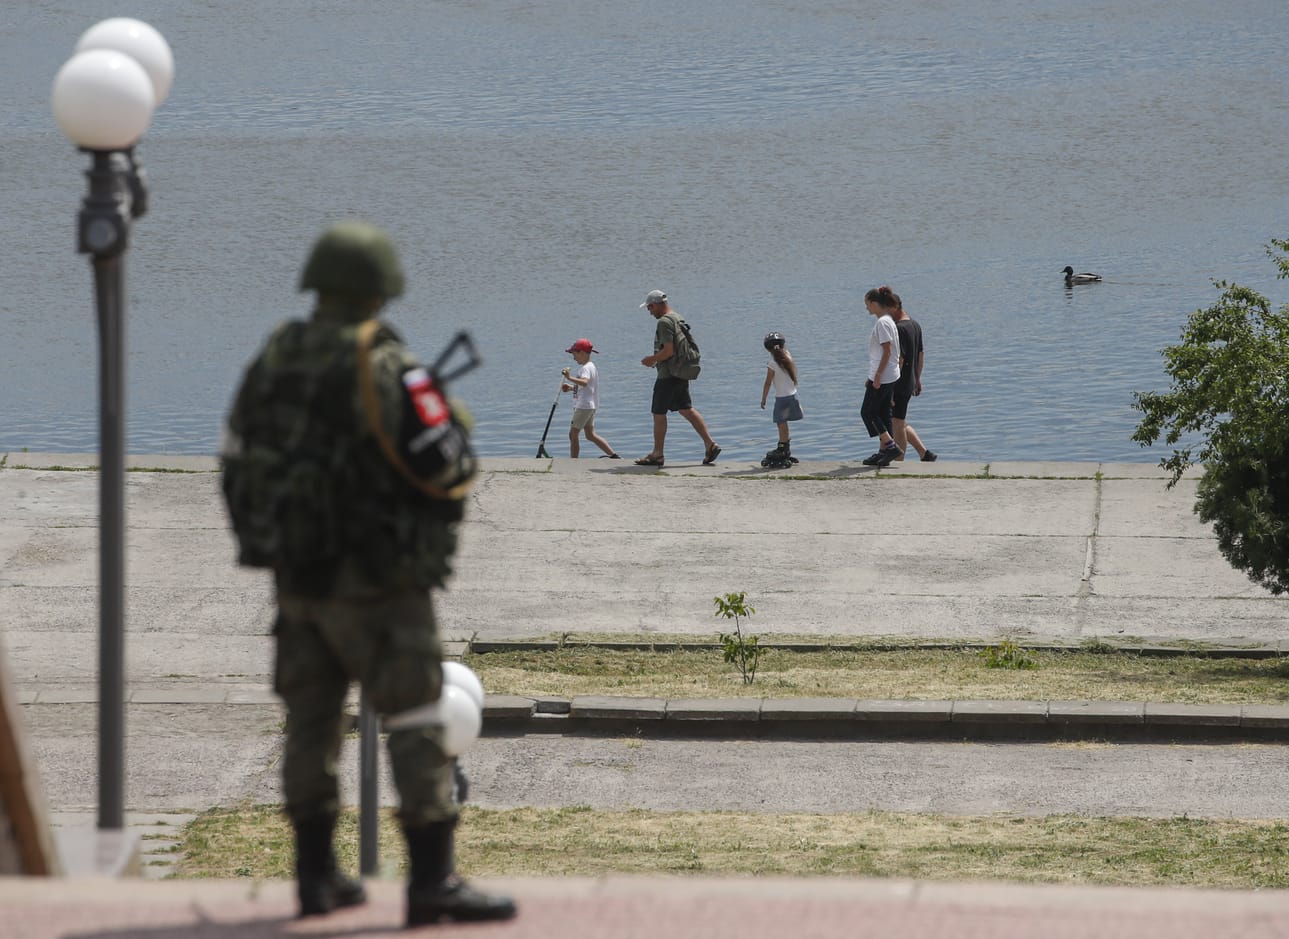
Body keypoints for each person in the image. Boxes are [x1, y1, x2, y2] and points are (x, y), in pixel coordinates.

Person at [220, 221, 516, 927]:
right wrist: (456, 413)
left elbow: (237, 454)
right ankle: (431, 882)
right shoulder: (385, 365)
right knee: (415, 713)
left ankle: (317, 879)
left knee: (310, 721)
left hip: (297, 575)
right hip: (380, 580)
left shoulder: (274, 355)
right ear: (382, 288)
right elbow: (446, 461)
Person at [634, 289, 721, 467]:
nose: (650, 312)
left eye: (650, 307)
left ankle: (657, 454)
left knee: (658, 413)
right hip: (680, 372)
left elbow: (668, 351)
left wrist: (652, 359)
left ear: (658, 304)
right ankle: (710, 444)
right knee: (686, 409)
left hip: (668, 375)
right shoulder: (677, 317)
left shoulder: (664, 322)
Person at [890, 293, 937, 462]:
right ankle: (924, 453)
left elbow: (900, 360)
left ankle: (899, 461)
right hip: (910, 380)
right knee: (898, 420)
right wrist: (917, 378)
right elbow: (920, 355)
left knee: (896, 422)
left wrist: (891, 386)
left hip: (899, 382)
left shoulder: (899, 328)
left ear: (894, 307)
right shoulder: (915, 325)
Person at [860, 286, 902, 466]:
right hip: (889, 374)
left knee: (868, 412)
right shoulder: (888, 320)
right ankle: (883, 451)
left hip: (883, 376)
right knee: (884, 412)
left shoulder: (882, 323)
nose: (867, 308)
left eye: (867, 304)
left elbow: (887, 351)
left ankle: (891, 446)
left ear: (874, 303)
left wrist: (876, 377)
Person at [560, 338, 619, 458]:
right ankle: (613, 455)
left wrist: (569, 377)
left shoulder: (585, 368)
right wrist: (571, 388)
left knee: (573, 434)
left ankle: (573, 461)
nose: (573, 357)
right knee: (590, 435)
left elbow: (585, 382)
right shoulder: (591, 366)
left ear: (581, 352)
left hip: (583, 406)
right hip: (590, 406)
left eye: (574, 354)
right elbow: (586, 387)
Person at [759, 331, 803, 468]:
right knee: (784, 424)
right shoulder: (788, 356)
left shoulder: (772, 363)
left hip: (782, 399)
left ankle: (782, 448)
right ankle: (785, 447)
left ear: (767, 349)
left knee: (780, 424)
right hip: (793, 396)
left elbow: (767, 383)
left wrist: (763, 399)